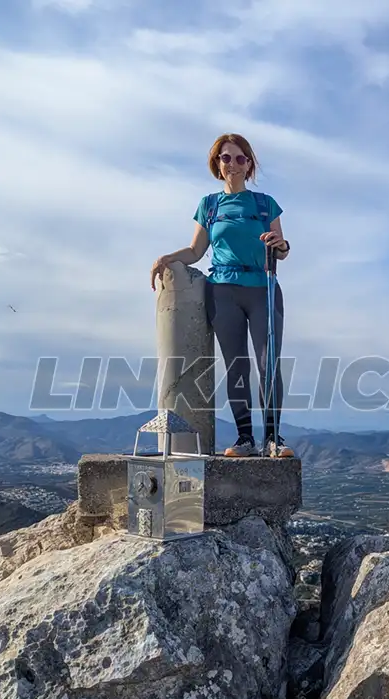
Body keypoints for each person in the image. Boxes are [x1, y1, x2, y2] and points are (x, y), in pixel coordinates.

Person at [151, 133, 294, 458]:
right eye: (226, 158)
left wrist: (282, 245)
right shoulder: (209, 205)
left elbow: (282, 250)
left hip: (263, 288)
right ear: (217, 163)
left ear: (249, 164)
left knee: (268, 364)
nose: (233, 164)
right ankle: (245, 439)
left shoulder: (265, 204)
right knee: (236, 366)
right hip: (223, 291)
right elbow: (195, 251)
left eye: (240, 158)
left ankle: (273, 439)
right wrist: (166, 258)